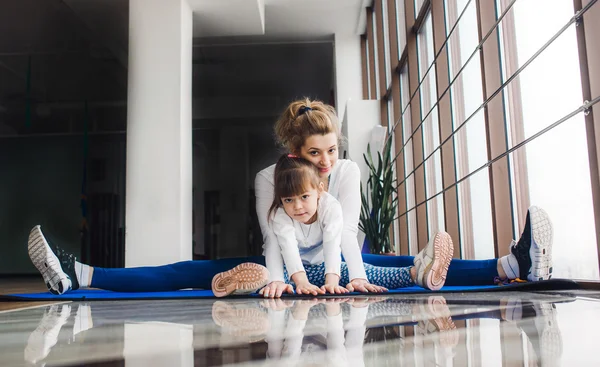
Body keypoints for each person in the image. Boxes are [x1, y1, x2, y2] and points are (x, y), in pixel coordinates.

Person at [26, 98, 553, 297]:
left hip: (339, 259)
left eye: (331, 149)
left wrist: (339, 276)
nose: (326, 161)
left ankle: (513, 262)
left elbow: (345, 234)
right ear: (292, 153)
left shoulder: (345, 172)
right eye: (314, 152)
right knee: (192, 269)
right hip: (283, 259)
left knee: (400, 264)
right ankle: (84, 275)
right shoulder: (268, 180)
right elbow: (272, 233)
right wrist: (283, 280)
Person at [253, 153, 453, 297]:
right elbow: (287, 249)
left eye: (304, 197)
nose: (297, 206)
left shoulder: (330, 207)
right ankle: (239, 283)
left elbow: (333, 244)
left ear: (319, 190)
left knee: (357, 272)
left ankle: (418, 273)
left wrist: (331, 283)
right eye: (288, 200)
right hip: (291, 271)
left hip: (324, 266)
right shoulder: (279, 215)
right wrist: (302, 283)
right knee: (275, 281)